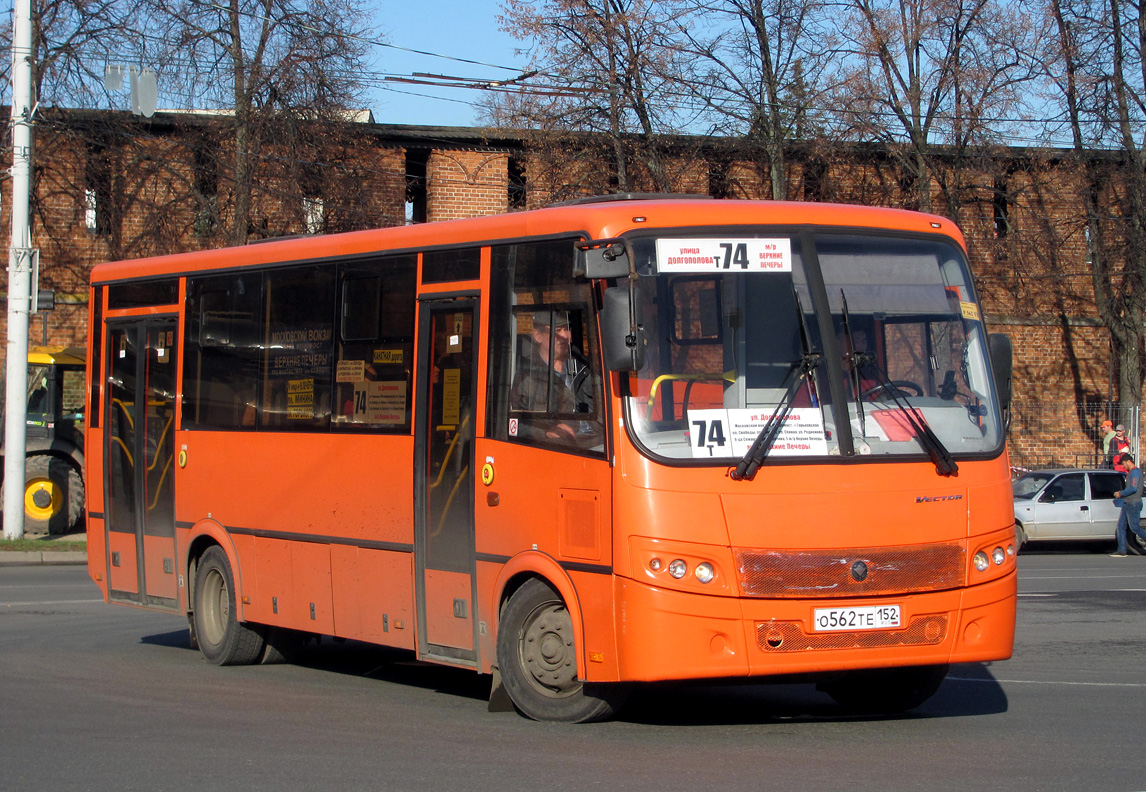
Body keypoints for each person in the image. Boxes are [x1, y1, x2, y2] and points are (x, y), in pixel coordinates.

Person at [510, 309, 599, 446]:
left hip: (597, 441)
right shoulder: (527, 375)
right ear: (538, 336)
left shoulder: (584, 367)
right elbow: (514, 425)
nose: (565, 336)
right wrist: (545, 432)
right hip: (559, 446)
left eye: (567, 329)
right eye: (557, 330)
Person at [1110, 453, 1146, 557]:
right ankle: (1122, 550)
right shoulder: (1131, 473)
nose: (1123, 466)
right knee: (1121, 527)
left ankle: (1122, 550)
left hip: (1133, 503)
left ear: (1128, 462)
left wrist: (1120, 493)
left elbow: (1133, 488)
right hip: (1127, 503)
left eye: (1123, 464)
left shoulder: (1135, 472)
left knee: (1135, 527)